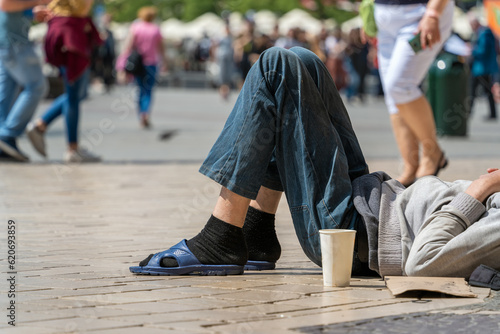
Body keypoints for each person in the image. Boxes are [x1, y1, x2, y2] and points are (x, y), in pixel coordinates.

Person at [130, 47, 500, 279]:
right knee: (305, 61)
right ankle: (257, 231)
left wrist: (479, 191)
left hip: (354, 235)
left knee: (276, 68)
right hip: (375, 198)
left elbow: (426, 263)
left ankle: (222, 236)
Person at [372, 0, 454, 186]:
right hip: (384, 17)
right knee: (393, 96)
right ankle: (410, 166)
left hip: (420, 15)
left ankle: (433, 152)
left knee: (400, 85)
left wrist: (433, 13)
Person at [26, 0, 103, 163]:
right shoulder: (67, 23)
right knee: (74, 97)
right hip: (70, 39)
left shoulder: (66, 21)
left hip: (69, 27)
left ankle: (41, 125)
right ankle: (72, 148)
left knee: (77, 95)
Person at [0, 0, 50, 162]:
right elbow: (5, 4)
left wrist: (32, 13)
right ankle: (7, 135)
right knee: (37, 86)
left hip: (8, 41)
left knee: (7, 93)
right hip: (15, 43)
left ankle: (5, 145)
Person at [116, 6, 166, 129]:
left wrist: (122, 64)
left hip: (138, 64)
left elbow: (128, 46)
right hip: (151, 64)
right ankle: (145, 112)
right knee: (148, 90)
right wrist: (164, 62)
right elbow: (161, 48)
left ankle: (141, 114)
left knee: (139, 89)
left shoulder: (136, 28)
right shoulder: (156, 30)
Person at [468, 16, 499, 121]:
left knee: (473, 90)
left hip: (482, 68)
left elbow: (482, 51)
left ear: (475, 23)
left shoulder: (484, 34)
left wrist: (471, 50)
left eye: (471, 24)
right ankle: (493, 113)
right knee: (487, 91)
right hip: (483, 68)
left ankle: (468, 113)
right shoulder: (483, 32)